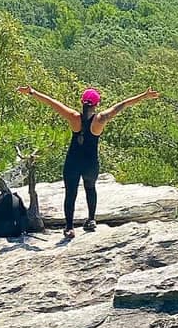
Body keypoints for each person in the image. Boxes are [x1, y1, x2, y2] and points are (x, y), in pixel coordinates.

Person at [16, 85, 160, 239]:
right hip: (91, 164)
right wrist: (144, 96)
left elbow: (52, 103)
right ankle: (91, 220)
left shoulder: (73, 117)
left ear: (82, 102)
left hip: (73, 162)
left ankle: (69, 228)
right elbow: (123, 105)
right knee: (90, 189)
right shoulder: (101, 119)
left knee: (70, 194)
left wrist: (32, 92)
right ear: (97, 104)